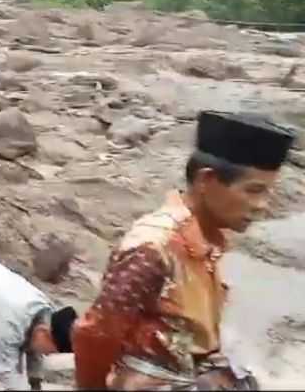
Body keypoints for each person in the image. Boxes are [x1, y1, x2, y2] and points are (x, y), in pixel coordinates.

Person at [72, 110, 296, 391]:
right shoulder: (153, 247)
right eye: (253, 190)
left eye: (267, 193)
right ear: (207, 181)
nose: (262, 205)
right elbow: (96, 334)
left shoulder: (206, 240)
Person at [0, 257, 78, 391]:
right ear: (44, 332)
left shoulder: (45, 314)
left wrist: (35, 381)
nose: (47, 354)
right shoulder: (10, 326)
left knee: (25, 344)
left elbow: (34, 350)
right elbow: (6, 371)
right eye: (50, 351)